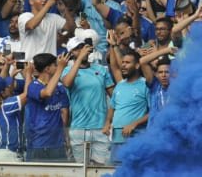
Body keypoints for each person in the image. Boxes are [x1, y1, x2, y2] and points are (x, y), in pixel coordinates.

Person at [62, 37, 113, 165]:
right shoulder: (67, 70)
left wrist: (108, 122)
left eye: (82, 47)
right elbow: (67, 83)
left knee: (100, 170)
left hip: (100, 128)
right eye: (76, 49)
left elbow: (114, 97)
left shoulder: (101, 69)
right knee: (80, 170)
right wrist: (79, 59)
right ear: (71, 53)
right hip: (78, 128)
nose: (80, 51)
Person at [25, 53, 71, 162]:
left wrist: (66, 138)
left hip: (58, 144)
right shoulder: (33, 86)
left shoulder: (60, 88)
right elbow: (47, 92)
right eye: (55, 65)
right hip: (38, 144)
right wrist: (60, 69)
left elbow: (64, 116)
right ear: (47, 69)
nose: (57, 67)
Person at [106, 48, 150, 158]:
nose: (123, 66)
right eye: (122, 63)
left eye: (127, 63)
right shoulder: (120, 85)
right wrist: (107, 122)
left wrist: (134, 124)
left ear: (137, 66)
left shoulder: (145, 85)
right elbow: (113, 106)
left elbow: (154, 111)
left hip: (136, 138)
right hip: (116, 138)